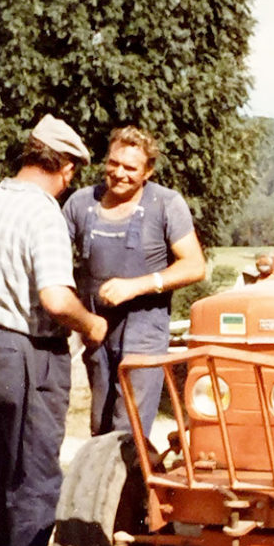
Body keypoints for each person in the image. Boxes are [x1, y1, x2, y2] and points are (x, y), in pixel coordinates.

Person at [0, 115, 108, 546]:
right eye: (71, 175)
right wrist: (91, 324)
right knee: (36, 473)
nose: (70, 185)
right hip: (27, 353)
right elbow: (56, 299)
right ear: (61, 165)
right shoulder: (44, 215)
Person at [63, 126, 205, 437]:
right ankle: (105, 484)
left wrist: (136, 285)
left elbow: (195, 266)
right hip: (97, 326)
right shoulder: (82, 203)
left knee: (129, 428)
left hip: (144, 328)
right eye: (114, 163)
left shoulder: (165, 204)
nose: (119, 173)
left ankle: (132, 485)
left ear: (148, 172)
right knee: (100, 426)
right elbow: (55, 260)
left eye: (131, 168)